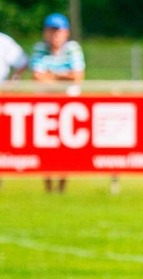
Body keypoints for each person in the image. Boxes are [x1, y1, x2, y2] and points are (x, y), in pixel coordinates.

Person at [30, 12, 86, 193]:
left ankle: (62, 187)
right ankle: (48, 187)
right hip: (45, 107)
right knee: (45, 148)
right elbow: (37, 77)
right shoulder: (39, 49)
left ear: (66, 33)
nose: (54, 35)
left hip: (69, 107)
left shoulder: (72, 49)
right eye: (51, 31)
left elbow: (77, 77)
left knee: (66, 150)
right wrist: (63, 76)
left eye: (58, 31)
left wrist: (51, 75)